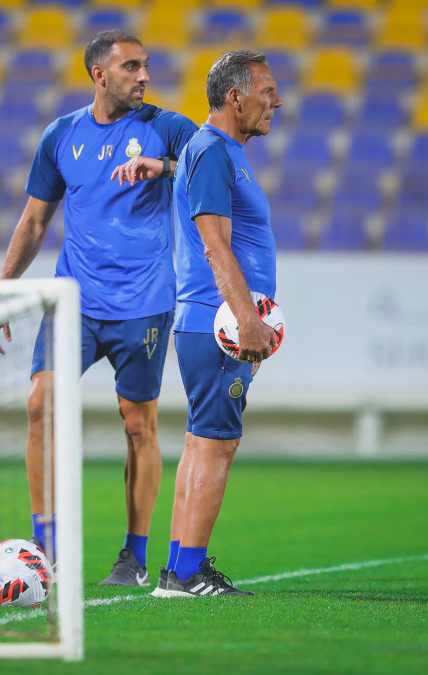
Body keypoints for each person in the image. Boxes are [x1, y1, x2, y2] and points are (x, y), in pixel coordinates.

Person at [0, 30, 197, 586]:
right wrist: (4, 292)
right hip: (74, 300)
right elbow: (34, 222)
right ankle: (44, 546)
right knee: (40, 405)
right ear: (99, 75)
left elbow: (216, 165)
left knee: (137, 426)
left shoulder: (167, 128)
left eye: (146, 66)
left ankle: (132, 555)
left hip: (143, 304)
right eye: (131, 67)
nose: (144, 76)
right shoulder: (61, 136)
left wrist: (166, 169)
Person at [150, 50, 282, 598]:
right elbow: (213, 245)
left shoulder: (217, 152)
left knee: (202, 443)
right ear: (235, 98)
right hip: (218, 323)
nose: (277, 101)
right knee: (216, 444)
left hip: (212, 321)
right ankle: (187, 574)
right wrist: (248, 320)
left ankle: (179, 568)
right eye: (267, 91)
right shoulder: (211, 150)